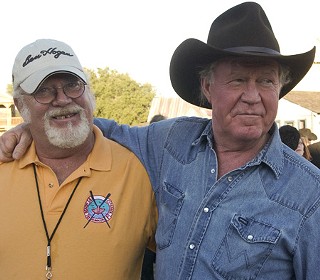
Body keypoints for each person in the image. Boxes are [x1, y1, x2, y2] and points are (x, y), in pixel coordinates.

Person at [1, 2, 320, 279]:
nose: (252, 96)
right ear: (207, 87)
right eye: (238, 80)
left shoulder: (310, 194)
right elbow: (93, 128)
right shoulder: (170, 141)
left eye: (266, 81)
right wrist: (32, 124)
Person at [0, 39, 157, 279]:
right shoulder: (3, 166)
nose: (62, 99)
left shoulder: (140, 171)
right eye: (43, 90)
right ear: (21, 106)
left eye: (73, 85)